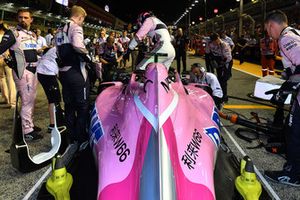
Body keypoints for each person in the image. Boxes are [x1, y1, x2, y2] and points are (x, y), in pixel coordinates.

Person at [264, 10, 300, 186]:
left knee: (294, 133)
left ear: (271, 25)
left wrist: (284, 90)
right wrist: (286, 73)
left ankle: (293, 175)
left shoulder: (285, 39)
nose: (269, 35)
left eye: (267, 30)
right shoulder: (295, 33)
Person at [0, 9, 42, 141]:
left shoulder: (32, 34)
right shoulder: (13, 33)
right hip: (22, 71)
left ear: (31, 19)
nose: (22, 20)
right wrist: (7, 60)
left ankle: (29, 124)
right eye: (20, 17)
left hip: (33, 71)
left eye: (25, 17)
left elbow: (32, 51)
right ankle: (27, 131)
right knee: (27, 101)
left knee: (31, 100)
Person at [54, 5, 91, 145]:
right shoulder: (76, 27)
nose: (82, 22)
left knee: (69, 106)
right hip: (76, 73)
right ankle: (81, 137)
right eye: (83, 20)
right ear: (80, 17)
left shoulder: (59, 29)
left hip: (63, 72)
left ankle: (71, 136)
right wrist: (89, 57)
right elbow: (77, 45)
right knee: (82, 106)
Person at [37, 45, 62, 133]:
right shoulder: (62, 48)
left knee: (54, 99)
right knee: (54, 99)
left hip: (44, 71)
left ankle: (55, 122)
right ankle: (53, 125)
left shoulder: (57, 47)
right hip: (47, 72)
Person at [208, 32, 233, 102]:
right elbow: (210, 53)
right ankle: (220, 94)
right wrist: (213, 60)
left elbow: (228, 57)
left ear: (218, 38)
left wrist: (221, 63)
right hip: (218, 62)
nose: (215, 42)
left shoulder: (225, 45)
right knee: (219, 79)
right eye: (213, 41)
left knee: (223, 80)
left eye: (216, 40)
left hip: (226, 63)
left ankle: (224, 97)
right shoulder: (211, 44)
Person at [0, 21, 16, 109]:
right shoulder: (9, 35)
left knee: (1, 79)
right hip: (7, 58)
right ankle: (12, 102)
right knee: (11, 80)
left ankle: (6, 98)